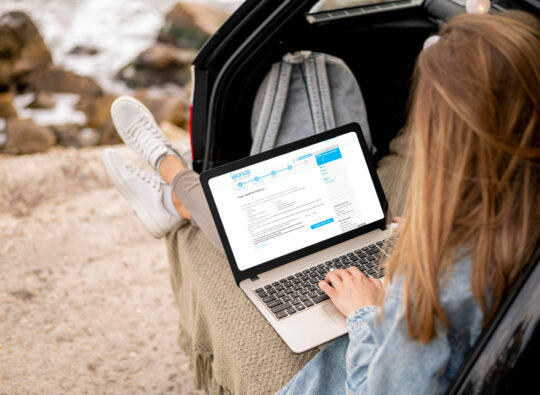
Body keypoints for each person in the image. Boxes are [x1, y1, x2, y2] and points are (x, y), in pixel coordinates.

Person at [102, 10, 540, 394]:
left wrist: (366, 311)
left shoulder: (432, 280)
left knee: (230, 241)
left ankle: (171, 178)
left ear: (450, 141)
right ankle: (173, 185)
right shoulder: (510, 230)